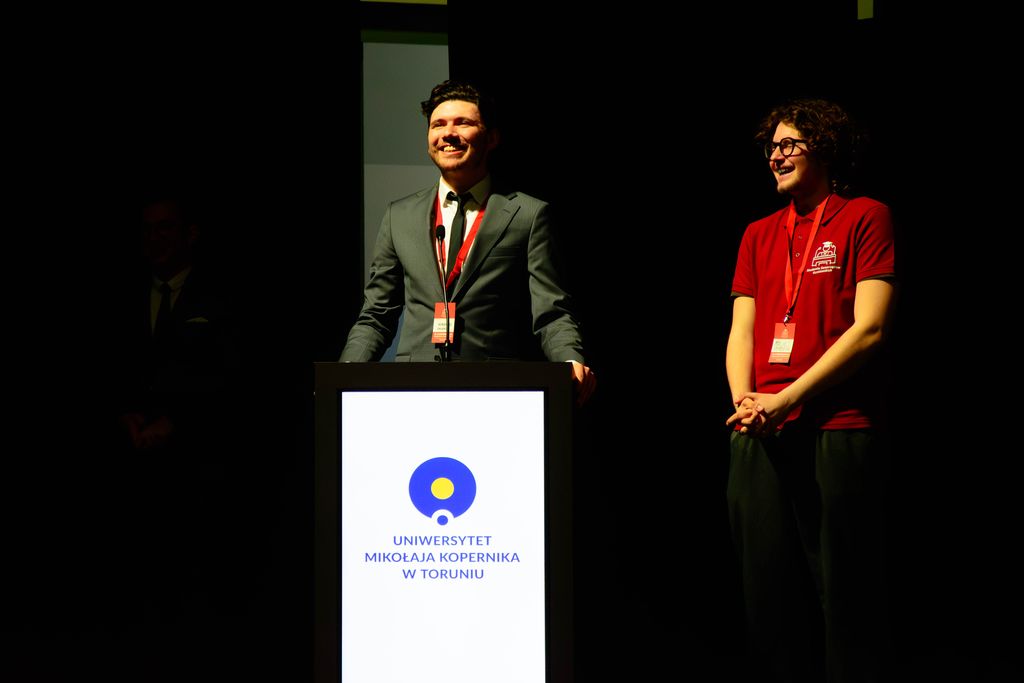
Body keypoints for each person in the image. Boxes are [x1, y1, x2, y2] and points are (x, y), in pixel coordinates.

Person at [724, 99, 895, 681]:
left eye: (789, 144)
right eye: (771, 146)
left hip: (837, 427)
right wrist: (745, 401)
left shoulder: (865, 216)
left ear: (824, 146)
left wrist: (788, 398)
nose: (775, 155)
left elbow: (870, 329)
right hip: (760, 429)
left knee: (846, 598)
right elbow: (741, 330)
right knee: (766, 597)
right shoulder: (757, 234)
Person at [339, 79, 595, 404]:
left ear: (492, 138)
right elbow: (377, 314)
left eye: (463, 123)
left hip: (495, 393)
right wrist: (344, 374)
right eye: (438, 125)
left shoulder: (529, 215)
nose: (448, 133)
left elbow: (551, 311)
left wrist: (570, 359)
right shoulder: (399, 215)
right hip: (413, 393)